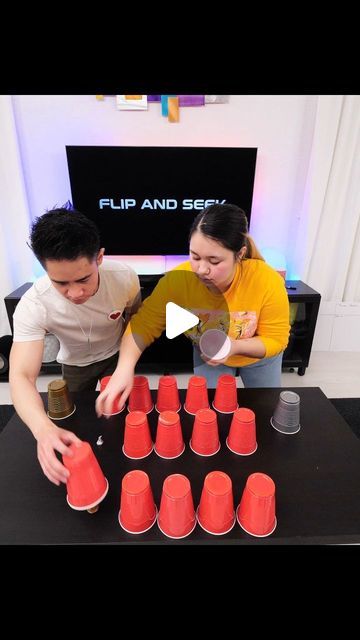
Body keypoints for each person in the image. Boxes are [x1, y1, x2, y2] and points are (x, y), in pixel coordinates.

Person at [96, 203, 290, 417]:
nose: (201, 270)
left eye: (214, 261)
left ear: (240, 254)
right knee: (210, 412)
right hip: (208, 353)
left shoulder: (267, 281)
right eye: (195, 257)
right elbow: (143, 324)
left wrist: (233, 347)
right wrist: (124, 368)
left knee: (265, 411)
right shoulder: (178, 280)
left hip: (259, 357)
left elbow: (276, 339)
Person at [9, 206, 141, 486]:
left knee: (126, 420)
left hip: (118, 356)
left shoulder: (125, 277)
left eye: (83, 279)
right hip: (75, 363)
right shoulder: (34, 304)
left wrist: (126, 365)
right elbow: (21, 375)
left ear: (100, 258)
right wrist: (42, 429)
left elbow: (136, 319)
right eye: (61, 283)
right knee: (76, 424)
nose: (75, 293)